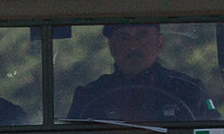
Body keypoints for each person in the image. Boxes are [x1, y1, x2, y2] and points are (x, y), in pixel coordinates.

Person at [68, 23, 216, 122]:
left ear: (159, 43)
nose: (133, 45)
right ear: (111, 46)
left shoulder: (189, 91)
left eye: (142, 35)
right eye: (124, 37)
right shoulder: (90, 95)